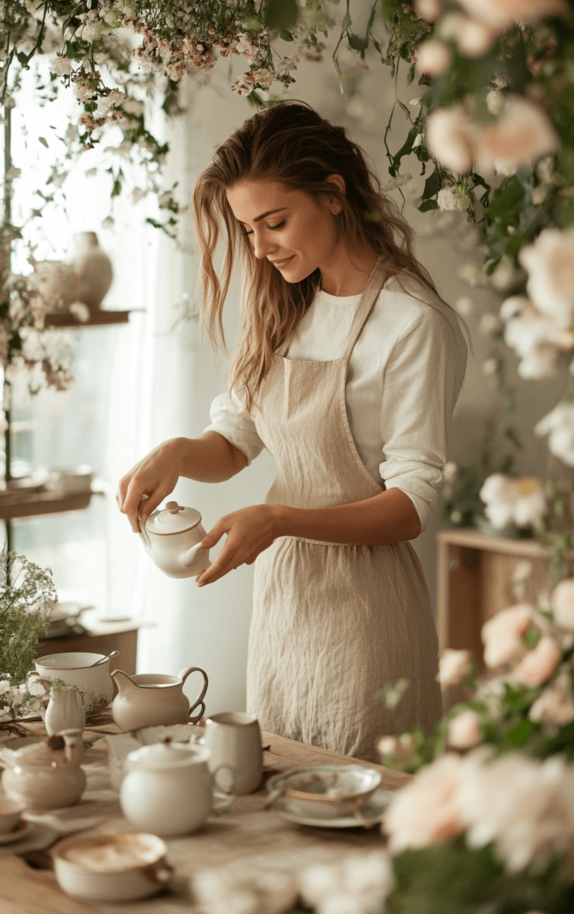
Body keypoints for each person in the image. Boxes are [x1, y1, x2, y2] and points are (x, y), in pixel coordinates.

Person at [117, 102, 467, 761]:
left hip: (368, 615)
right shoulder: (287, 307)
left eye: (274, 223)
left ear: (333, 195)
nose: (259, 248)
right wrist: (177, 454)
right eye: (248, 230)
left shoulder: (413, 323)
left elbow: (410, 506)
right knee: (276, 789)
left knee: (360, 815)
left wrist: (278, 518)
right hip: (284, 607)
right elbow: (236, 442)